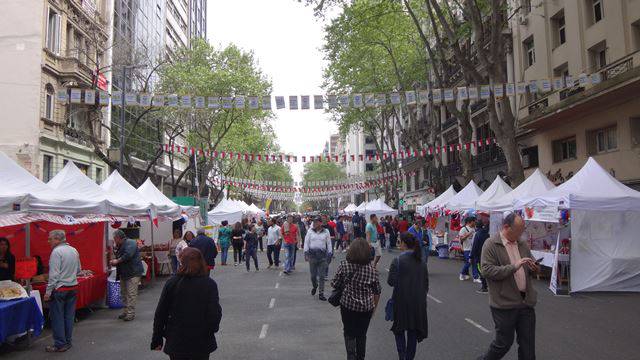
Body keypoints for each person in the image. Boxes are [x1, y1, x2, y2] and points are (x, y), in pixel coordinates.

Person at [478, 212, 539, 360]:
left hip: (525, 302)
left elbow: (531, 265)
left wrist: (534, 268)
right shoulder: (491, 244)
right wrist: (513, 266)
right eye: (518, 230)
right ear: (506, 227)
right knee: (503, 343)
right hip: (504, 303)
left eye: (522, 230)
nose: (521, 234)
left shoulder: (522, 244)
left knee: (528, 345)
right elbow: (487, 271)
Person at [151, 248, 222, 360]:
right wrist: (212, 329)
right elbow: (214, 313)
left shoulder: (172, 283)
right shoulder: (209, 284)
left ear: (182, 262)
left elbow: (161, 313)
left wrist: (157, 338)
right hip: (201, 339)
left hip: (176, 338)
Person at [331, 238, 381, 360]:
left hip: (348, 306)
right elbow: (377, 291)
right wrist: (374, 307)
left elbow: (335, 284)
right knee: (362, 334)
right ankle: (360, 357)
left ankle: (351, 356)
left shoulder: (344, 265)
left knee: (349, 332)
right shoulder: (372, 271)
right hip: (366, 307)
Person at [388, 232, 429, 360]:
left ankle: (402, 356)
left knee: (399, 330)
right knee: (413, 331)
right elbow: (426, 284)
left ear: (404, 244)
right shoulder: (421, 262)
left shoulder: (398, 260)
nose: (398, 244)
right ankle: (409, 358)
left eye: (399, 241)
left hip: (401, 301)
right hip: (418, 302)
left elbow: (391, 282)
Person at [44, 230, 81, 353]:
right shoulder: (74, 250)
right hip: (73, 287)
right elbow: (78, 270)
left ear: (57, 239)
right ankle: (68, 341)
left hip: (60, 288)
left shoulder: (56, 252)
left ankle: (60, 343)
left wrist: (48, 292)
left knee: (57, 317)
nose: (48, 241)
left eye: (50, 239)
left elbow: (53, 275)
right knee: (69, 317)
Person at [110, 230, 144, 321]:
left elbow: (128, 255)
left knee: (131, 294)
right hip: (125, 273)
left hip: (133, 273)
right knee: (124, 293)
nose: (114, 240)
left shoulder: (131, 243)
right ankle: (125, 311)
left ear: (118, 238)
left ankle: (130, 313)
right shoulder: (120, 245)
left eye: (114, 239)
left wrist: (117, 261)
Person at [304, 216, 332, 301]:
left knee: (322, 276)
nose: (314, 223)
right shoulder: (310, 231)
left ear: (320, 223)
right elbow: (306, 242)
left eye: (316, 222)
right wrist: (306, 253)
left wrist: (330, 253)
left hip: (322, 257)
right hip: (312, 256)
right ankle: (315, 286)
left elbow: (329, 243)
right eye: (314, 222)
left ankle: (321, 293)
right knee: (313, 276)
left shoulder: (326, 231)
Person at [471, 217, 490, 294]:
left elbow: (474, 246)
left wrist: (471, 256)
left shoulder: (477, 234)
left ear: (476, 226)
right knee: (486, 269)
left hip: (479, 256)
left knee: (481, 271)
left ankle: (484, 287)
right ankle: (487, 285)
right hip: (487, 254)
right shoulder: (487, 233)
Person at [459, 217, 478, 281]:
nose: (475, 222)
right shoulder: (463, 229)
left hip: (473, 248)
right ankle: (462, 273)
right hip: (466, 249)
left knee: (474, 263)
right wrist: (469, 233)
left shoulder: (474, 229)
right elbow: (461, 239)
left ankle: (475, 277)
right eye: (474, 221)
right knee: (468, 262)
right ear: (470, 221)